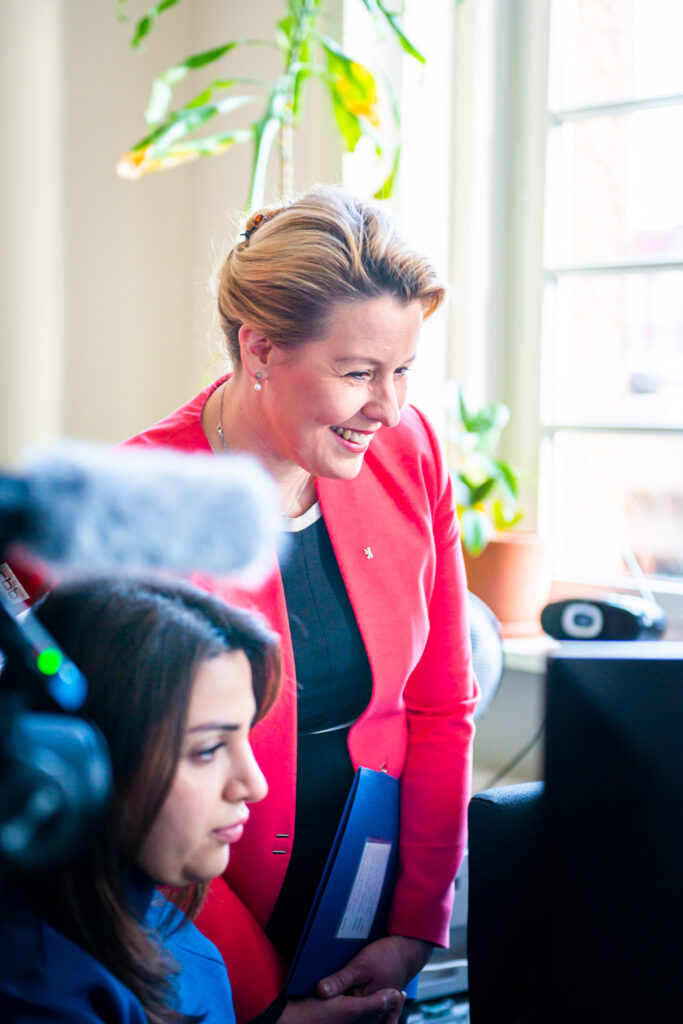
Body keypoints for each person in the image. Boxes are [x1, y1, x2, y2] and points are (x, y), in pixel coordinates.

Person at [121, 185, 479, 1024]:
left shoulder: (411, 450)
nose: (388, 408)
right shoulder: (139, 508)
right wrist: (261, 1005)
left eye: (402, 370)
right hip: (206, 938)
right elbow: (135, 799)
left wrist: (414, 925)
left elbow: (441, 703)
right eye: (358, 374)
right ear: (260, 350)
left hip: (369, 914)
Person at [0, 576, 280, 1023]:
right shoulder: (44, 999)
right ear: (82, 758)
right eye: (208, 750)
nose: (254, 785)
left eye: (246, 733)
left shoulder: (158, 925)